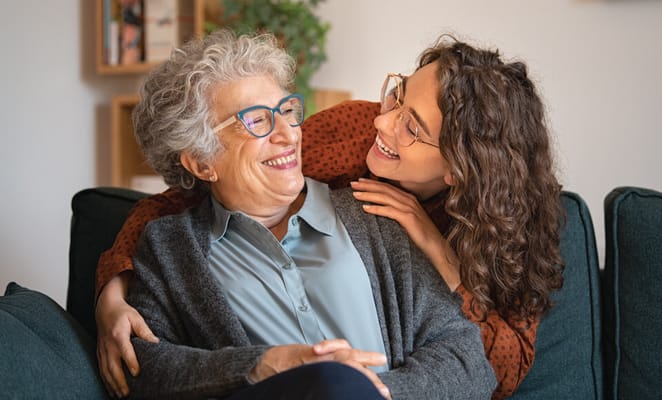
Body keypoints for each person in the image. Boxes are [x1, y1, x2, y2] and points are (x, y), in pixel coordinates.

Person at [95, 33, 563, 399]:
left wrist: (368, 392)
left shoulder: (386, 222)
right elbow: (147, 365)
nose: (288, 133)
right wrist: (111, 293)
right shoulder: (353, 138)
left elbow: (482, 365)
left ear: (461, 168)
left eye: (286, 112)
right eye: (258, 119)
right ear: (201, 160)